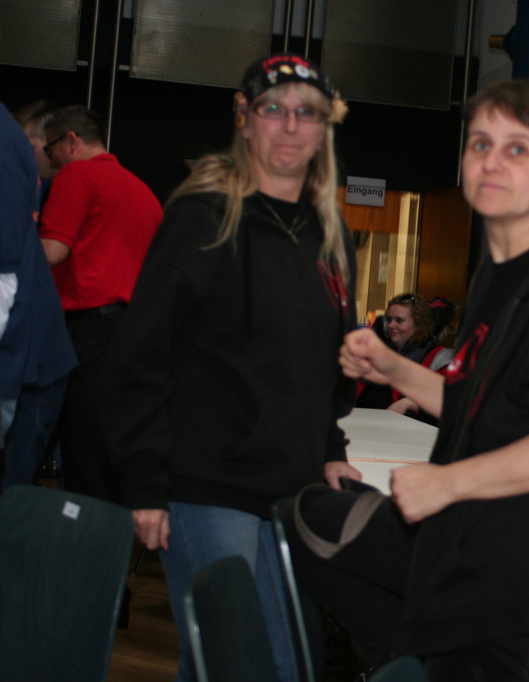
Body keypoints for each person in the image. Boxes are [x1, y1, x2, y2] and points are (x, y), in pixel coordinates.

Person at [282, 78, 529, 681]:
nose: (492, 162)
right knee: (307, 517)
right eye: (480, 144)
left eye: (517, 148)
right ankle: (406, 661)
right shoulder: (501, 271)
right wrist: (394, 368)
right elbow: (478, 403)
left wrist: (450, 482)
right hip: (474, 537)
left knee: (312, 523)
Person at [102, 53, 356, 682]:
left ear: (325, 127)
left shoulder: (329, 236)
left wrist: (330, 447)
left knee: (283, 666)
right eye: (274, 109)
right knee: (233, 663)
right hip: (205, 487)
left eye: (307, 113)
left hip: (291, 493)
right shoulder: (204, 217)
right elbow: (139, 356)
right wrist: (145, 483)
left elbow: (323, 361)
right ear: (244, 118)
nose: (290, 126)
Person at [37, 105, 163, 501]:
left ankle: (82, 536)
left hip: (90, 333)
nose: (50, 161)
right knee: (112, 451)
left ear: (71, 141)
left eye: (51, 149)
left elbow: (51, 252)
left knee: (82, 451)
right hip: (136, 335)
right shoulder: (143, 191)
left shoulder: (77, 175)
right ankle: (110, 534)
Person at [0, 101, 77, 490]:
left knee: (13, 495)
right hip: (37, 358)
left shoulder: (67, 182)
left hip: (36, 364)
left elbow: (51, 253)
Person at [356, 293, 455, 410]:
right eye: (389, 319)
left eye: (399, 320)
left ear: (418, 324)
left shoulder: (436, 357)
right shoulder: (381, 352)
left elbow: (452, 400)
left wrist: (413, 402)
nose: (391, 325)